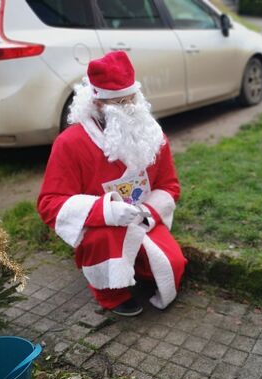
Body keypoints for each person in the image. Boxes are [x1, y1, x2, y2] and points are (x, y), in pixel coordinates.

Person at [37, 51, 187, 316]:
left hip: (143, 219)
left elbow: (169, 185)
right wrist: (107, 212)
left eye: (132, 100)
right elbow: (50, 203)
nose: (128, 107)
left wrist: (147, 214)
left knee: (173, 265)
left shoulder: (152, 135)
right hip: (101, 227)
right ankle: (110, 294)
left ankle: (132, 267)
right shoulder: (70, 143)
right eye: (120, 103)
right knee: (105, 247)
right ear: (97, 104)